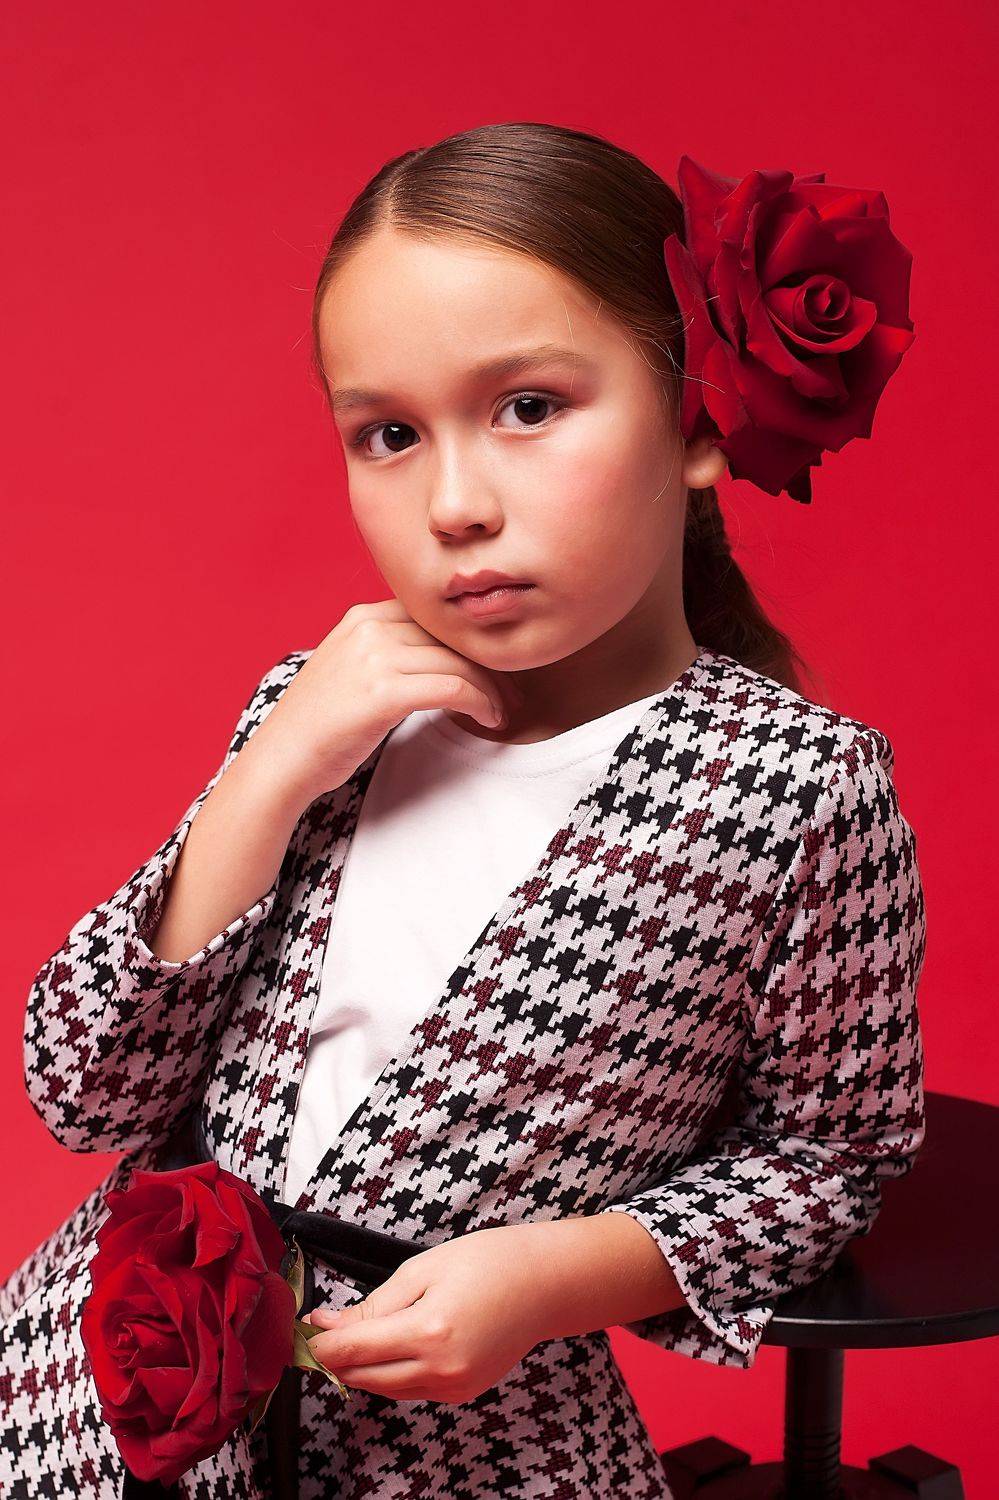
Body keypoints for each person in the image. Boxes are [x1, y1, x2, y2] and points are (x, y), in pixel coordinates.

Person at [1, 122, 926, 1500]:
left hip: (468, 1447)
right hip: (93, 1397)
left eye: (530, 407)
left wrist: (553, 1277)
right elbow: (84, 1090)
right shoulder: (322, 713)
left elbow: (830, 1158)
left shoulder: (791, 788)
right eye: (388, 435)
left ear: (697, 418)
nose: (452, 504)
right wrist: (268, 776)